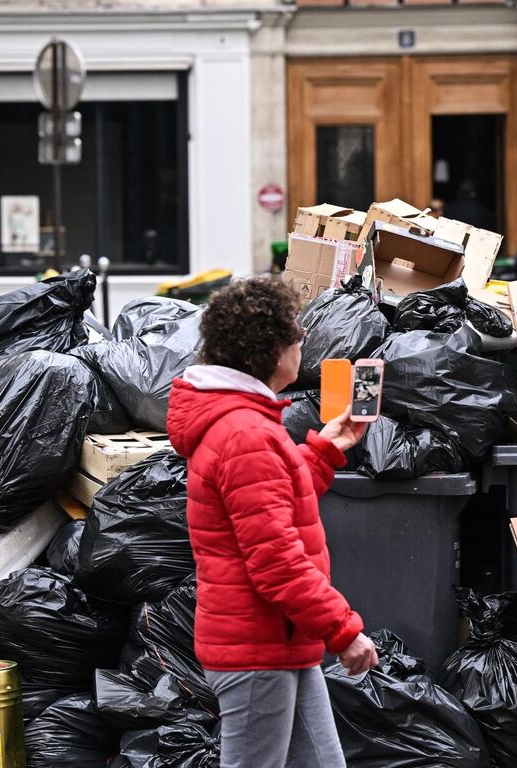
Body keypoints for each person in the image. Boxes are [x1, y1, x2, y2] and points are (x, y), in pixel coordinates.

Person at [165, 276, 376, 768]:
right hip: (259, 649)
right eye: (297, 335)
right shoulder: (245, 433)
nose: (303, 344)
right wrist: (343, 630)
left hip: (279, 642)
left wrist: (326, 448)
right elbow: (276, 560)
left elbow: (270, 496)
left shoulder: (246, 425)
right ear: (273, 349)